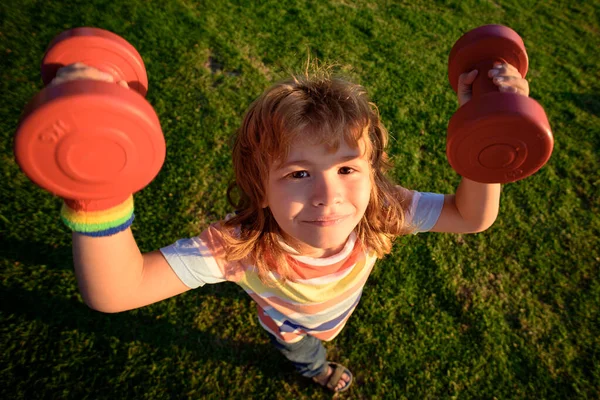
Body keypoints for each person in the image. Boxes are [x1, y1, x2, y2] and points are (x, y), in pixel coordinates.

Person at [57, 61, 529, 393]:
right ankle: (316, 372)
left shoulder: (382, 208)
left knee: (322, 329)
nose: (328, 195)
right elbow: (116, 292)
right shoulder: (237, 247)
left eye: (347, 169)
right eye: (298, 174)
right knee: (302, 353)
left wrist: (488, 125)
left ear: (373, 175)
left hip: (338, 309)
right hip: (287, 324)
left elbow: (472, 216)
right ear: (259, 188)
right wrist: (97, 187)